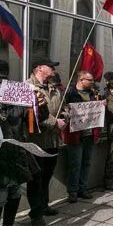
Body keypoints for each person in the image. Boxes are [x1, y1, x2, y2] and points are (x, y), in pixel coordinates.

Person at [0, 60, 48, 226]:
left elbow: (36, 121)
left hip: (17, 154)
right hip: (6, 156)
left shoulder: (17, 95)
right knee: (4, 195)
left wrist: (40, 105)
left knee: (14, 193)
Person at [26, 57, 67, 224]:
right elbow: (33, 115)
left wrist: (65, 118)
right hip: (36, 141)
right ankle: (36, 214)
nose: (53, 69)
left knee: (47, 176)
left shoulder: (54, 88)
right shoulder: (27, 87)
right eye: (50, 66)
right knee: (35, 178)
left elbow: (64, 108)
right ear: (39, 68)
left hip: (53, 140)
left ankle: (44, 205)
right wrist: (55, 122)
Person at [63, 71, 101, 203]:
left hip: (89, 134)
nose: (92, 82)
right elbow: (63, 111)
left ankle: (82, 188)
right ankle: (73, 191)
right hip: (75, 135)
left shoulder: (93, 94)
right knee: (75, 163)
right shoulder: (70, 93)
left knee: (86, 162)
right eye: (90, 80)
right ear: (81, 80)